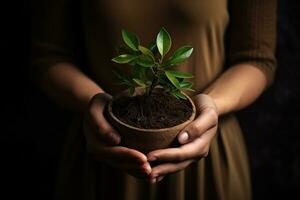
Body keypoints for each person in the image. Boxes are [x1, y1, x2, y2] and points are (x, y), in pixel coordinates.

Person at [31, 0, 277, 199]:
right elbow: (48, 55)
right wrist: (92, 101)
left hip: (207, 150)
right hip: (102, 146)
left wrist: (211, 104)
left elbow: (256, 58)